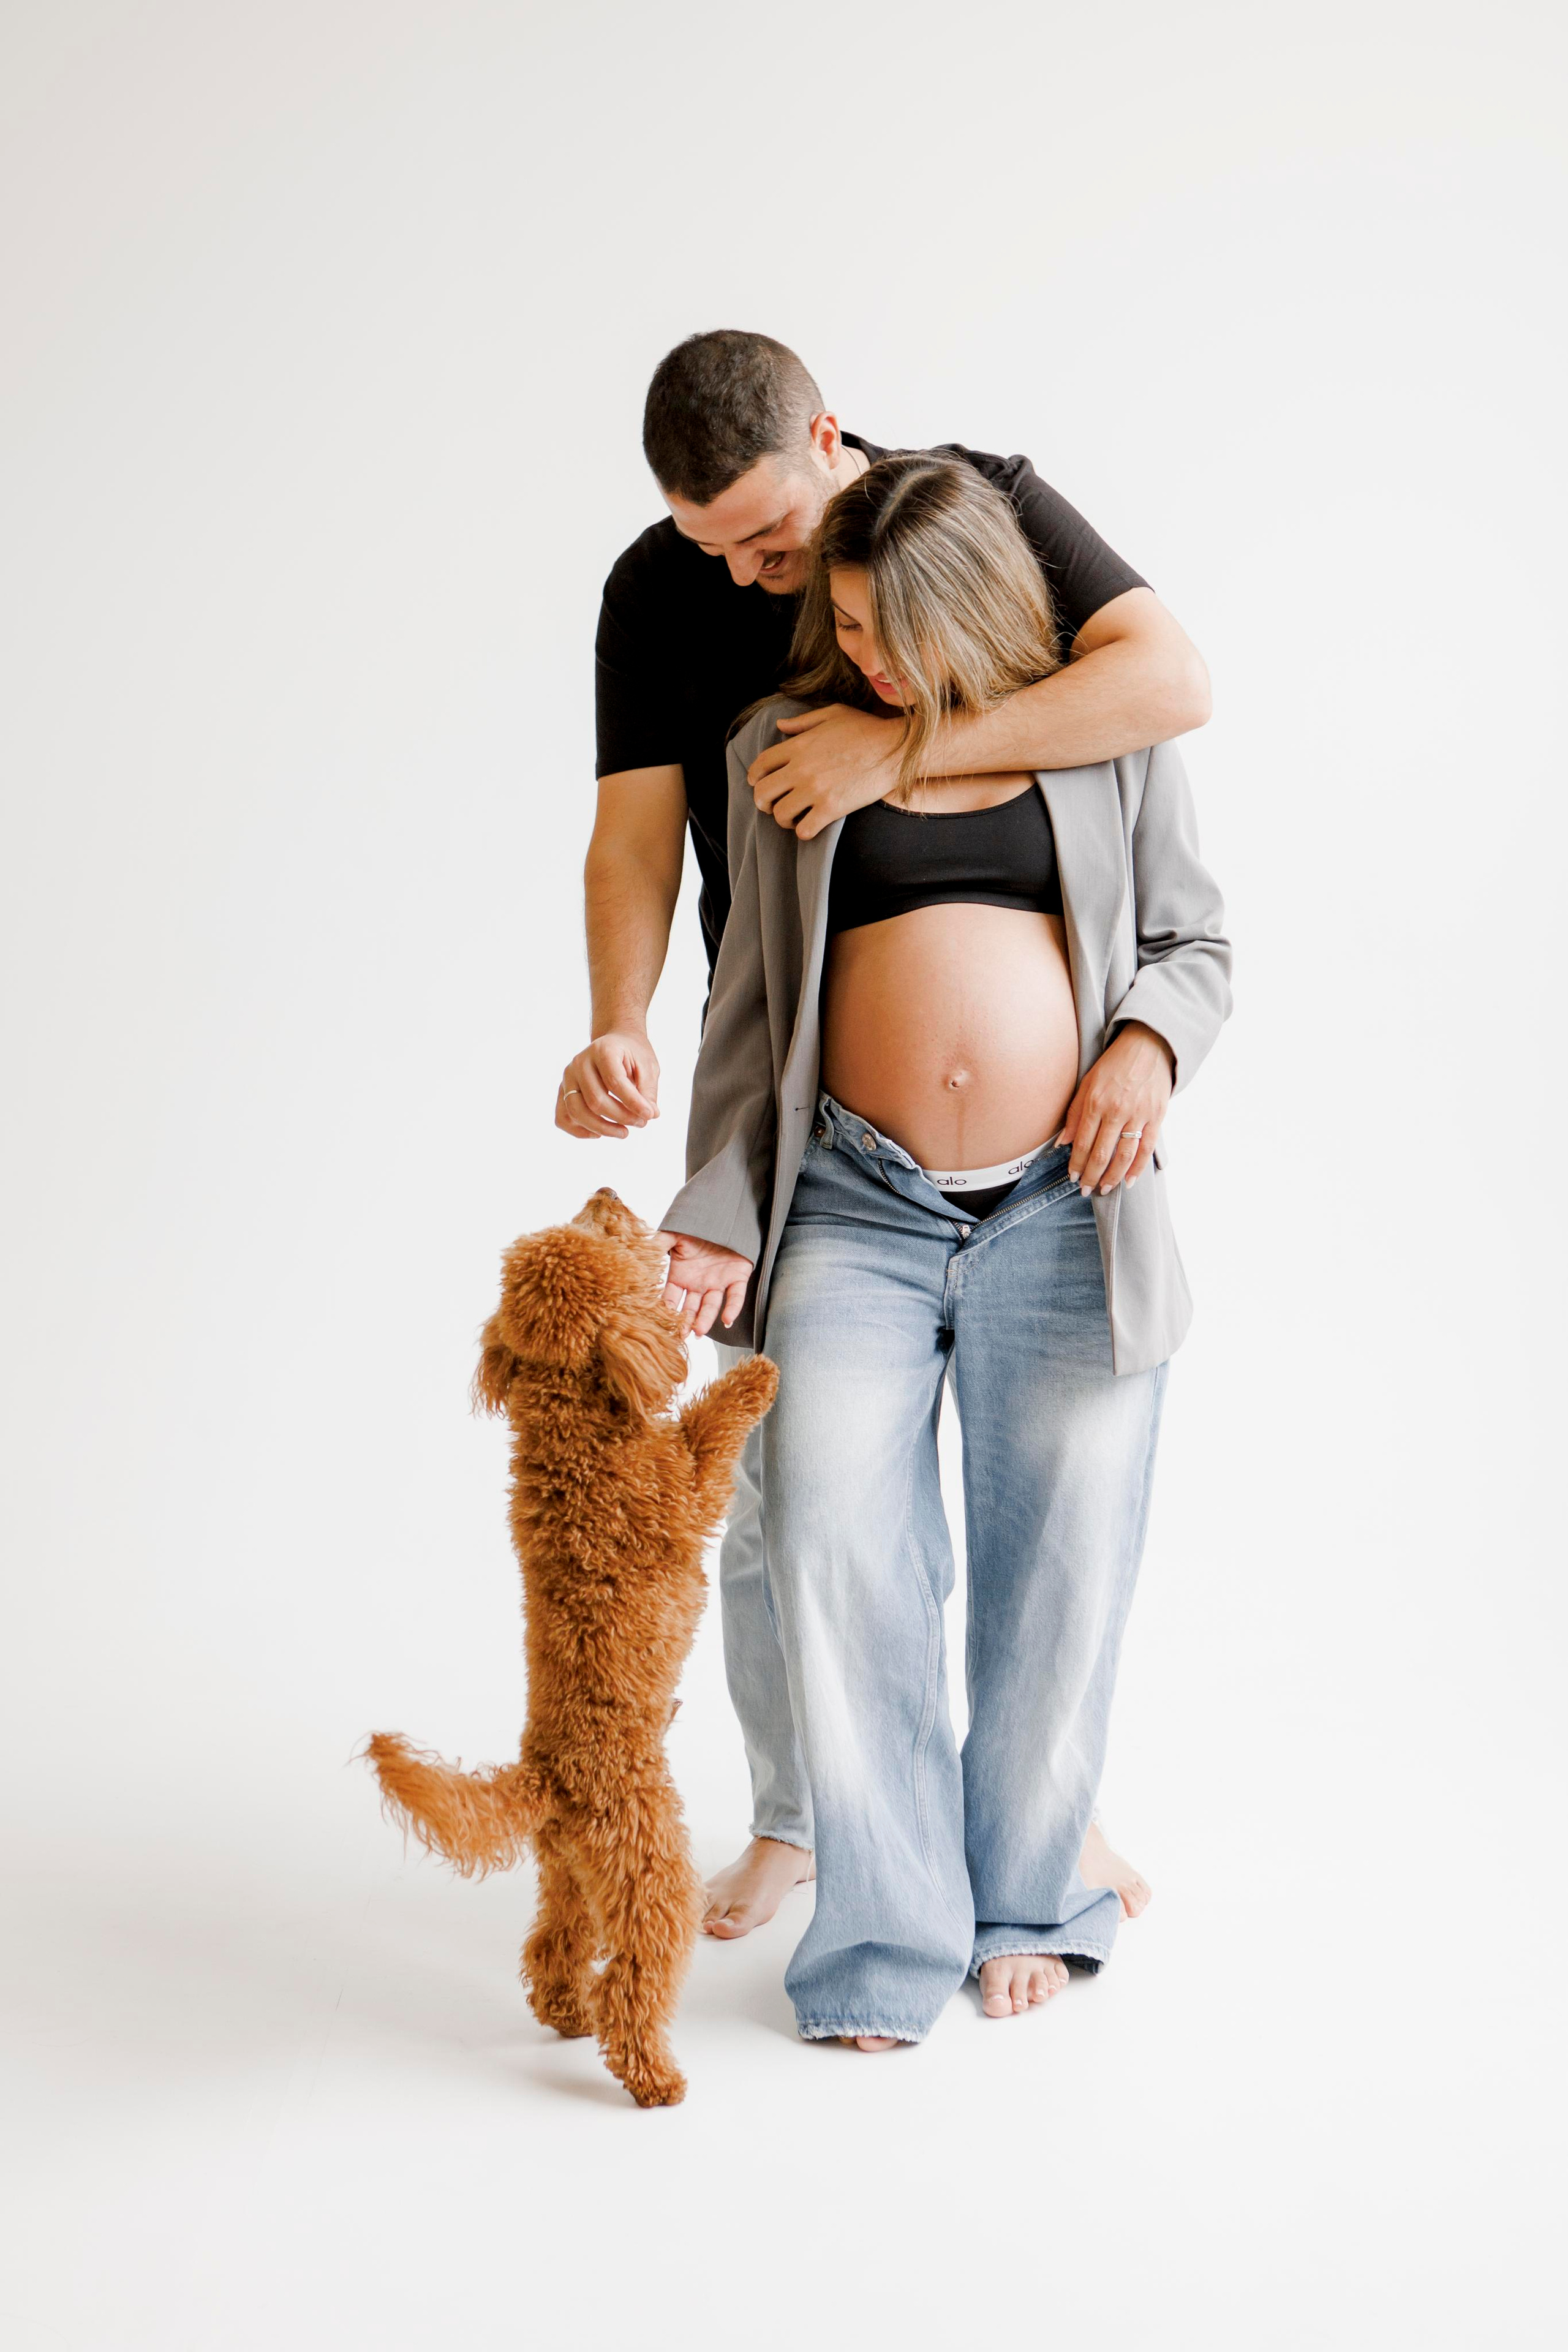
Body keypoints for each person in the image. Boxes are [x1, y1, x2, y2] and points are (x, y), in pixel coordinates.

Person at [560, 330, 1211, 1937]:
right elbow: (636, 845)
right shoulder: (670, 597)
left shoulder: (982, 512)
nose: (746, 578)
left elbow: (1167, 685)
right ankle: (809, 1819)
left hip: (1056, 1179)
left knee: (1050, 1524)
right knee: (798, 1505)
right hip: (802, 1107)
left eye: (770, 542)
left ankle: (1032, 1838)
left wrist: (901, 748)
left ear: (832, 440)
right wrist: (619, 1022)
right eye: (716, 549)